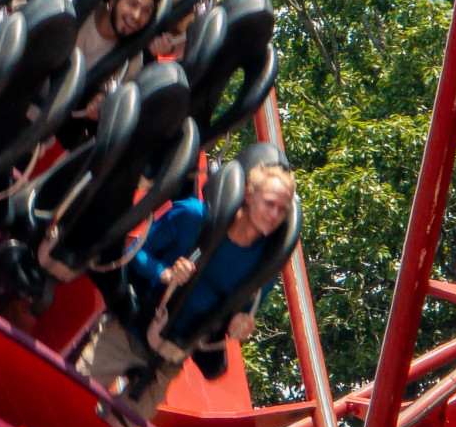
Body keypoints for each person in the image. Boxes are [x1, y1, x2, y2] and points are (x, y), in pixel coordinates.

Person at [80, 155, 297, 410]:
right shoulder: (192, 216)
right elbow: (134, 252)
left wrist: (239, 325)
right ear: (248, 196)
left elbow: (237, 316)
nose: (274, 215)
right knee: (70, 390)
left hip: (167, 358)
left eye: (281, 210)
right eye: (269, 204)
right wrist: (164, 272)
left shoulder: (265, 267)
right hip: (129, 331)